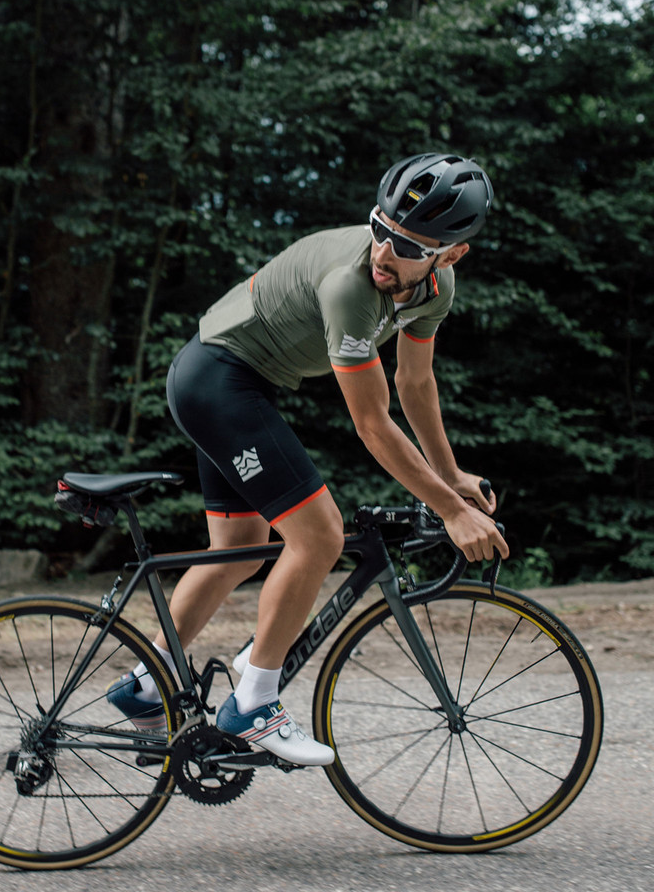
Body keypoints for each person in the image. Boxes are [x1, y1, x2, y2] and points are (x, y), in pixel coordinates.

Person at [108, 152, 510, 765]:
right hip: (218, 378)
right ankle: (253, 704)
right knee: (319, 537)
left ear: (448, 256)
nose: (384, 253)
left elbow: (414, 385)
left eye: (406, 245)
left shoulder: (435, 289)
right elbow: (372, 425)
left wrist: (450, 474)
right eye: (381, 228)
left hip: (233, 380)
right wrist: (452, 510)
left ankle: (144, 686)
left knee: (237, 549)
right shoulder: (352, 286)